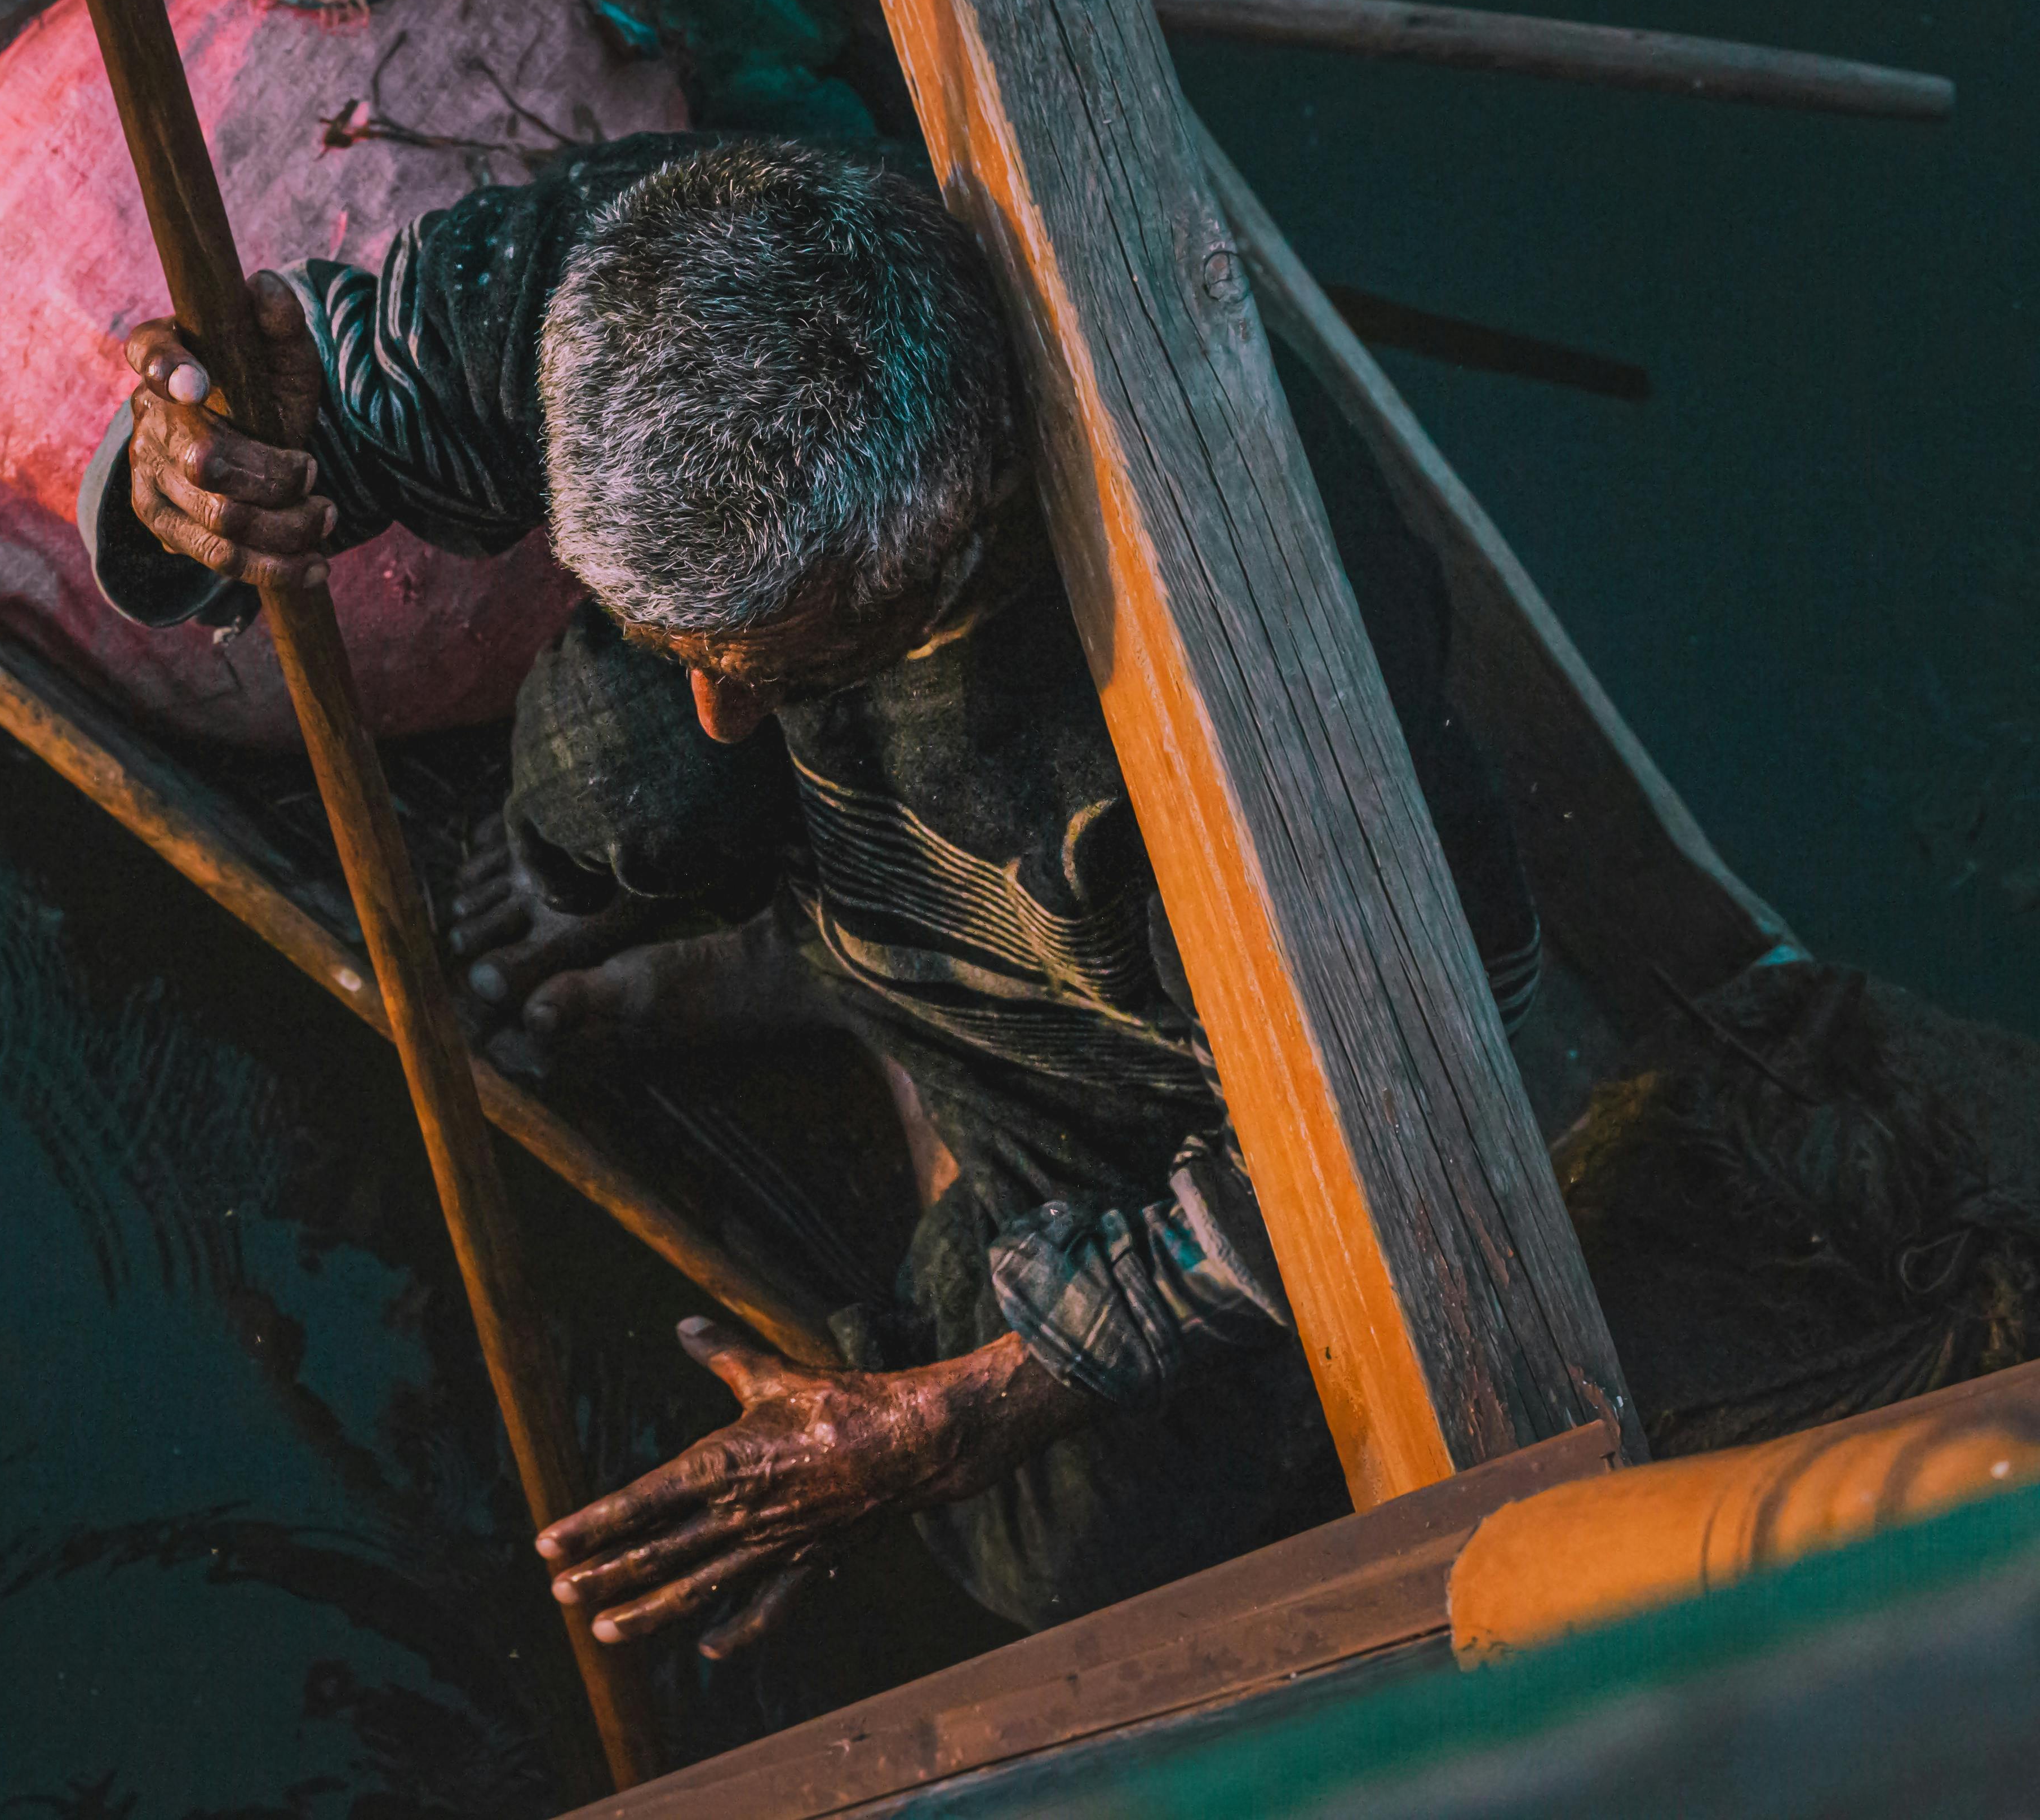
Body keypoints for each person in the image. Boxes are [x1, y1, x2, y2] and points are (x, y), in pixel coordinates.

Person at [88, 134, 1545, 1655]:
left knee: (1031, 1543)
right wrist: (194, 476)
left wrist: (960, 1410)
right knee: (616, 781)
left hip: (1118, 1038)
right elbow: (310, 400)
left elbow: (1439, 1089)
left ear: (968, 522)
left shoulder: (1266, 723)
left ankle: (884, 1005)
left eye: (772, 663)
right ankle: (829, 951)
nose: (721, 712)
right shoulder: (636, 276)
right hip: (893, 814)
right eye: (684, 643)